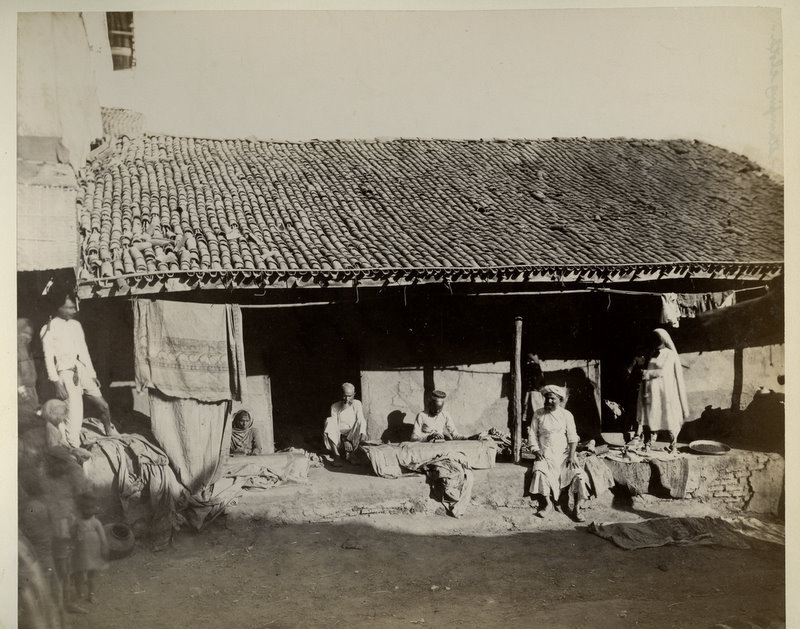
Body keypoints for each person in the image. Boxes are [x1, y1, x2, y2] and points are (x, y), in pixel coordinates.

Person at [40, 291, 112, 447]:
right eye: (69, 308)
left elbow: (83, 350)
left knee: (104, 406)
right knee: (74, 421)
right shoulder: (49, 328)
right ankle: (72, 449)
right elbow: (48, 359)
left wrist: (92, 374)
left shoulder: (76, 325)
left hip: (82, 370)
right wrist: (56, 382)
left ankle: (110, 432)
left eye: (74, 307)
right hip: (65, 375)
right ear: (58, 308)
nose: (74, 311)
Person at [527, 384, 590, 522]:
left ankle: (577, 508)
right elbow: (532, 433)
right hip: (545, 453)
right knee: (539, 472)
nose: (549, 401)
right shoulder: (538, 413)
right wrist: (536, 450)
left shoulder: (566, 415)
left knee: (578, 475)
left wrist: (572, 456)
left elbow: (573, 437)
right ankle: (548, 504)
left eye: (553, 399)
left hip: (563, 455)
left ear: (560, 400)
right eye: (547, 399)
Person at [636, 328, 690, 453]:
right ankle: (647, 444)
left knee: (667, 418)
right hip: (649, 393)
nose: (655, 342)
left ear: (663, 340)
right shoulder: (652, 354)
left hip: (663, 393)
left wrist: (645, 373)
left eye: (657, 340)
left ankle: (673, 445)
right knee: (648, 418)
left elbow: (663, 372)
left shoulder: (670, 355)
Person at [71, 493, 109, 604]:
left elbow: (102, 537)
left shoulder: (96, 522)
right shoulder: (77, 522)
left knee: (92, 575)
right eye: (85, 508)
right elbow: (72, 534)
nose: (88, 511)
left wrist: (104, 547)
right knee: (79, 574)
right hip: (81, 553)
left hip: (94, 553)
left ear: (94, 509)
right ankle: (79, 592)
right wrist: (74, 531)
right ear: (80, 509)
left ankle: (91, 595)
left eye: (91, 508)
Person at [323, 383, 368, 466]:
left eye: (350, 396)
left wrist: (349, 440)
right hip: (338, 440)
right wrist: (344, 440)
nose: (347, 399)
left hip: (353, 438)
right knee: (329, 421)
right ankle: (337, 456)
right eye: (344, 396)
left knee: (361, 421)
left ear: (354, 395)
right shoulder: (335, 406)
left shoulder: (357, 403)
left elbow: (360, 420)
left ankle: (352, 454)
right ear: (340, 395)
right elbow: (334, 427)